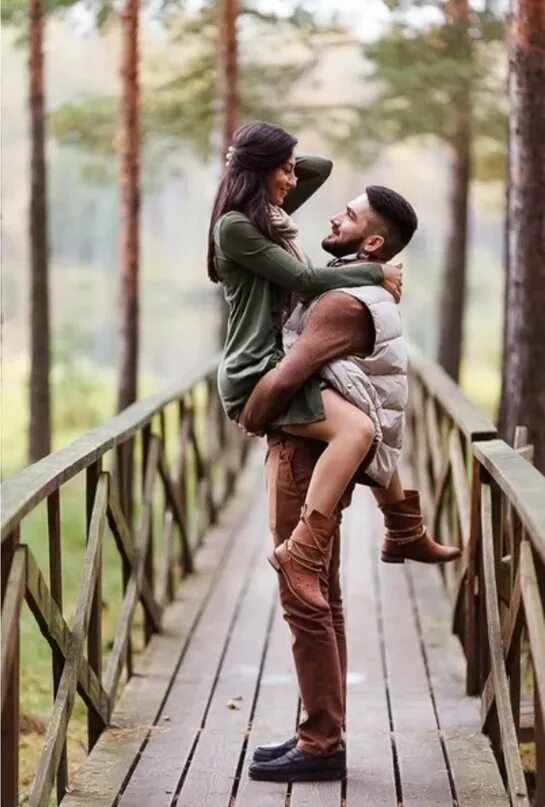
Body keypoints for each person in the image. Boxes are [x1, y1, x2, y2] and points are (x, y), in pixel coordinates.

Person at [242, 186, 462, 783]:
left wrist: (250, 409)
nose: (335, 213)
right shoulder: (357, 284)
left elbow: (287, 375)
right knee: (323, 595)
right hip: (318, 457)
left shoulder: (343, 303)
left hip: (304, 459)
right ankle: (323, 733)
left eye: (351, 213)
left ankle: (320, 744)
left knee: (303, 596)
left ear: (371, 241)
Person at [208, 121, 403, 615]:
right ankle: (303, 553)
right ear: (259, 171)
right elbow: (303, 277)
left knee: (369, 414)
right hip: (256, 369)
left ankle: (403, 525)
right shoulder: (236, 227)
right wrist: (376, 271)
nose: (294, 180)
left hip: (279, 361)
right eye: (285, 171)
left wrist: (277, 158)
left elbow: (322, 169)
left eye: (293, 171)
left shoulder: (265, 219)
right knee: (357, 429)